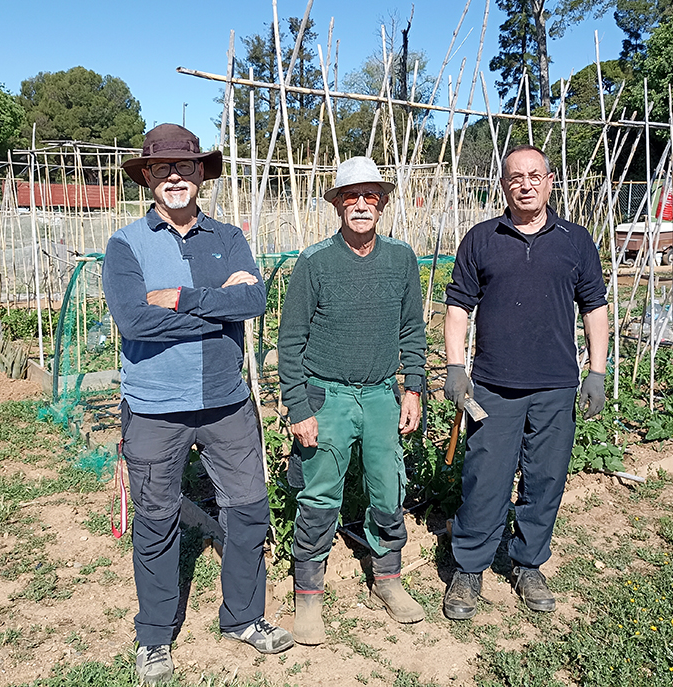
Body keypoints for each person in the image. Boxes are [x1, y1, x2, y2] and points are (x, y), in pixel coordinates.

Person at [103, 124, 293, 685]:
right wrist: (219, 307)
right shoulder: (125, 244)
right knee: (157, 519)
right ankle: (156, 636)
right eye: (162, 169)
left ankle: (243, 617)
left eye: (185, 168)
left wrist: (183, 298)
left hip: (225, 401)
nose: (175, 177)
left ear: (201, 175)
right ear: (148, 179)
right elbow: (134, 319)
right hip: (156, 405)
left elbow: (254, 298)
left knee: (249, 507)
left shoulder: (229, 237)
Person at [442, 144, 608, 619]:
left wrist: (597, 371)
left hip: (556, 385)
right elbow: (458, 305)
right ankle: (469, 569)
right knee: (484, 479)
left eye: (535, 175)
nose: (526, 184)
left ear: (550, 182)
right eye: (516, 177)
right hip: (494, 385)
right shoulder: (481, 238)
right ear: (503, 185)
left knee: (546, 479)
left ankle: (528, 563)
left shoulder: (575, 241)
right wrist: (456, 367)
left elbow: (595, 306)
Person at [277, 156, 427, 645]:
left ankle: (388, 579)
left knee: (388, 488)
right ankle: (308, 595)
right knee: (320, 494)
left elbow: (412, 330)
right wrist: (299, 407)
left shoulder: (401, 258)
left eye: (370, 197)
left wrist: (414, 387)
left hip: (383, 393)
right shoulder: (315, 262)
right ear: (338, 205)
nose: (361, 205)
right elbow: (290, 339)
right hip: (330, 395)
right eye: (351, 197)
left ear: (381, 205)